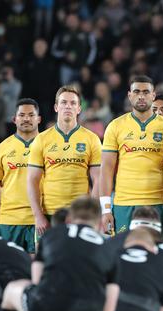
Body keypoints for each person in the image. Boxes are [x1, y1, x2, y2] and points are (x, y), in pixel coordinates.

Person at [0, 196, 121, 311]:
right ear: (100, 224)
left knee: (12, 289)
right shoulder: (109, 247)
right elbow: (110, 302)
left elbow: (37, 281)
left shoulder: (53, 234)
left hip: (47, 304)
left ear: (69, 220)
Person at [99, 76, 163, 234]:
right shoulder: (115, 126)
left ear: (153, 95)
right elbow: (107, 169)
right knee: (124, 253)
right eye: (136, 92)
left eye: (145, 92)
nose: (141, 96)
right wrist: (106, 209)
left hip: (157, 203)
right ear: (129, 95)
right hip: (124, 204)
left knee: (157, 253)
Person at [27, 85, 102, 238]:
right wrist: (38, 216)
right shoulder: (41, 139)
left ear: (79, 109)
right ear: (56, 107)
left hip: (80, 213)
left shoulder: (91, 139)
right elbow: (32, 180)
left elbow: (98, 178)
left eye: (73, 103)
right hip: (49, 213)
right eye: (64, 102)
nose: (68, 106)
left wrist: (91, 211)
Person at [0, 98, 41, 253]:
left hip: (41, 219)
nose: (26, 119)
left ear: (39, 119)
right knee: (10, 270)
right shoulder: (1, 149)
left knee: (41, 270)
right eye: (22, 115)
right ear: (14, 119)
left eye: (31, 115)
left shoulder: (50, 145)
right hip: (8, 222)